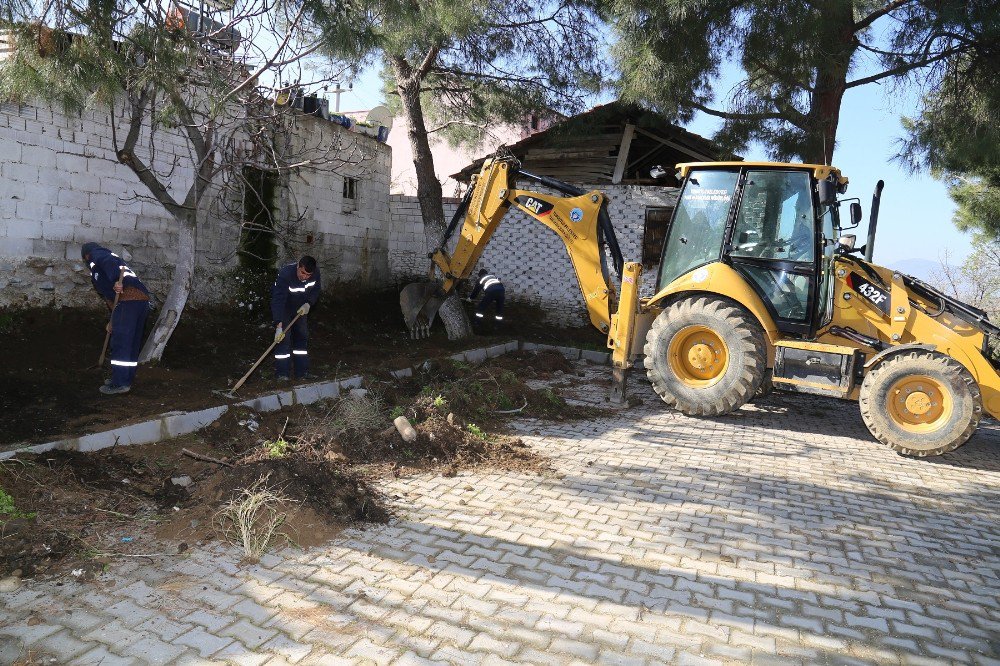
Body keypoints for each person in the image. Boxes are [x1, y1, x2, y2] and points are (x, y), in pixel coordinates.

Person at [81, 242, 150, 395]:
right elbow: (109, 298)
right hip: (140, 303)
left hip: (128, 302)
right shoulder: (97, 272)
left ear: (86, 255)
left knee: (121, 343)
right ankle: (126, 378)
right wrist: (113, 320)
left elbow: (110, 264)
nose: (87, 260)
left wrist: (115, 282)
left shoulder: (97, 254)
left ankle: (119, 383)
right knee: (131, 343)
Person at [270, 255, 321, 381]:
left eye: (308, 275)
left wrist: (308, 303)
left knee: (302, 338)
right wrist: (279, 325)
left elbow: (316, 289)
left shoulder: (315, 273)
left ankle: (302, 373)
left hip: (301, 309)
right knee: (283, 340)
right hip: (285, 309)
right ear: (298, 266)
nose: (304, 277)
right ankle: (282, 374)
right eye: (302, 272)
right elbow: (278, 300)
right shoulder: (285, 274)